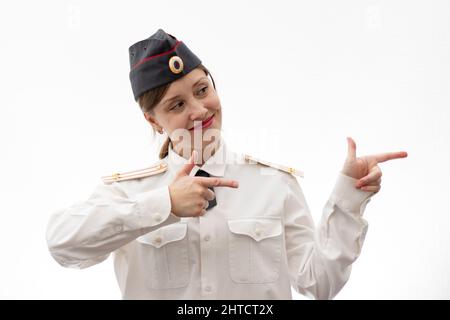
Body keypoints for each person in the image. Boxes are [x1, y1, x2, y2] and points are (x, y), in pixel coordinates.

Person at [46, 29, 408, 300]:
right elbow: (63, 244)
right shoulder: (127, 192)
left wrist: (348, 198)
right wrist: (164, 205)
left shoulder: (274, 183)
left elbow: (319, 282)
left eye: (203, 90)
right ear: (152, 121)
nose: (200, 111)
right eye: (177, 105)